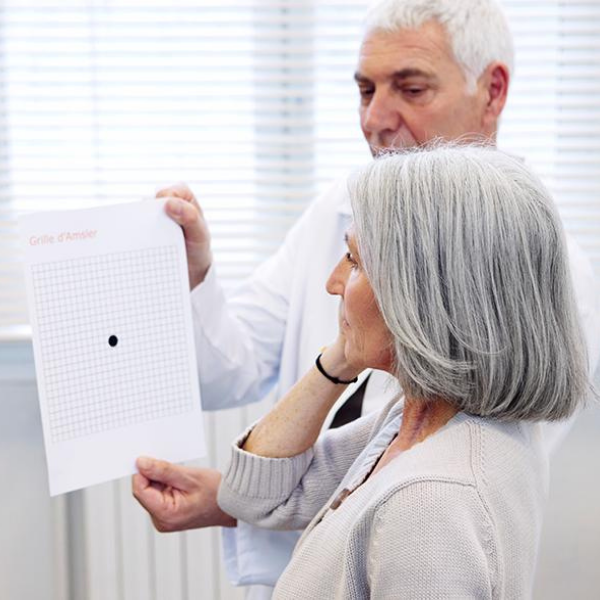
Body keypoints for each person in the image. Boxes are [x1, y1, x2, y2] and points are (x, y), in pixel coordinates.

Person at [132, 0, 600, 596]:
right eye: (364, 89)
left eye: (410, 88)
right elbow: (238, 377)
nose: (376, 118)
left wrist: (226, 502)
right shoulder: (398, 416)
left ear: (493, 91)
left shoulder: (538, 281)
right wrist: (202, 279)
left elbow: (426, 487)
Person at [216, 146, 591, 598]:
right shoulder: (417, 419)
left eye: (353, 260)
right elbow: (254, 495)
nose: (333, 282)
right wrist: (342, 355)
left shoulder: (430, 502)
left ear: (424, 290)